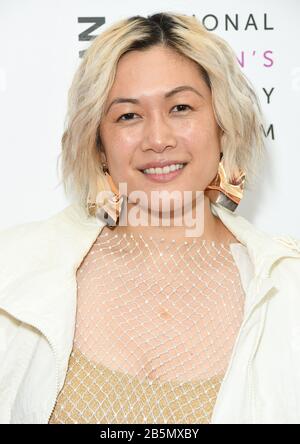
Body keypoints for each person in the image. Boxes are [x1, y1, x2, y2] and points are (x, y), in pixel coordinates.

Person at [1, 11, 300, 425]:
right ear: (99, 144)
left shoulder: (288, 291)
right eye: (128, 115)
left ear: (223, 124)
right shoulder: (12, 271)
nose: (158, 139)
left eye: (180, 107)